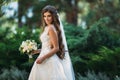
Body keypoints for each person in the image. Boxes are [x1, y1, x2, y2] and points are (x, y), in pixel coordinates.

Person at [28, 5, 75, 80]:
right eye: (44, 16)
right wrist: (37, 51)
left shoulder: (51, 28)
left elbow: (56, 48)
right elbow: (48, 47)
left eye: (49, 16)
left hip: (49, 60)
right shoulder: (47, 27)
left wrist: (43, 58)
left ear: (53, 16)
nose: (46, 18)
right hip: (43, 57)